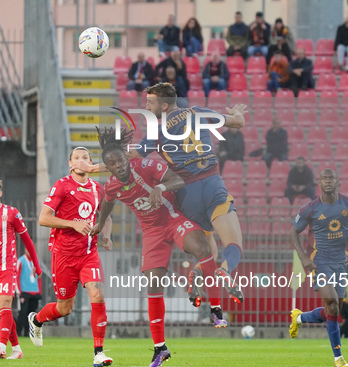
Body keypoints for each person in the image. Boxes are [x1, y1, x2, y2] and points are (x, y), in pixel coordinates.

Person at [73, 83, 247, 298]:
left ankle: (196, 273)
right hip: (211, 183)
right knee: (233, 242)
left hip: (186, 193)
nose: (146, 105)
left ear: (164, 105)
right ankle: (226, 270)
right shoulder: (198, 112)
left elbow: (126, 158)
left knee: (207, 248)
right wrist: (236, 112)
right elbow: (239, 122)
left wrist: (92, 168)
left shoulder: (156, 130)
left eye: (150, 102)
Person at [94, 127, 236, 367]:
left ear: (126, 157)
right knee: (153, 284)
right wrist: (100, 229)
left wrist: (160, 188)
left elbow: (177, 180)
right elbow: (107, 204)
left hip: (173, 219)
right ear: (108, 166)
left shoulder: (145, 165)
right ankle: (160, 348)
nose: (118, 165)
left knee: (200, 247)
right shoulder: (112, 185)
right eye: (112, 163)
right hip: (152, 233)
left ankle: (215, 308)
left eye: (120, 159)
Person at [27, 147, 114, 367]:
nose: (82, 161)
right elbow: (44, 219)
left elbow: (107, 216)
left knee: (97, 293)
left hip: (88, 253)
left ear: (91, 163)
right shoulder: (62, 185)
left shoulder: (98, 189)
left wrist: (106, 234)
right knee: (64, 308)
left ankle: (99, 353)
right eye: (77, 157)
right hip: (64, 255)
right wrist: (73, 223)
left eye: (86, 158)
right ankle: (36, 320)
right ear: (71, 164)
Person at [289, 168, 348, 367]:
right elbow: (293, 232)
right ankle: (338, 357)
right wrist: (304, 257)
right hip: (319, 261)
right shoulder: (311, 208)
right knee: (332, 305)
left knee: (335, 310)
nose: (328, 181)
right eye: (324, 178)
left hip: (342, 262)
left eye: (331, 178)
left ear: (337, 181)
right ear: (319, 183)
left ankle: (300, 317)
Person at [0, 178, 42, 360]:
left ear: (1, 193)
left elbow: (27, 240)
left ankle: (2, 346)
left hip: (7, 267)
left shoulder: (12, 213)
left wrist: (36, 264)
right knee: (3, 311)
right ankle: (17, 349)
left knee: (5, 305)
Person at [16, 249, 42, 337]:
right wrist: (19, 292)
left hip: (35, 292)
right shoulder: (21, 261)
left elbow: (39, 277)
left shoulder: (36, 262)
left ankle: (28, 333)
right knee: (22, 313)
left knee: (32, 315)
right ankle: (18, 333)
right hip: (24, 292)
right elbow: (17, 277)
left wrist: (39, 291)